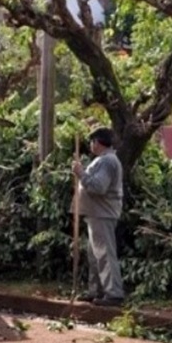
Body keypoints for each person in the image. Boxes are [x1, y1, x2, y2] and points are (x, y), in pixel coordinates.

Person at [71, 126, 125, 307]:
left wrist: (80, 173)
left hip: (102, 214)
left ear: (98, 142)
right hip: (96, 214)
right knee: (94, 255)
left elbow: (98, 187)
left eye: (92, 141)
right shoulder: (103, 160)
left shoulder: (107, 161)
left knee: (104, 254)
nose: (90, 145)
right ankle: (97, 291)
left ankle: (113, 293)